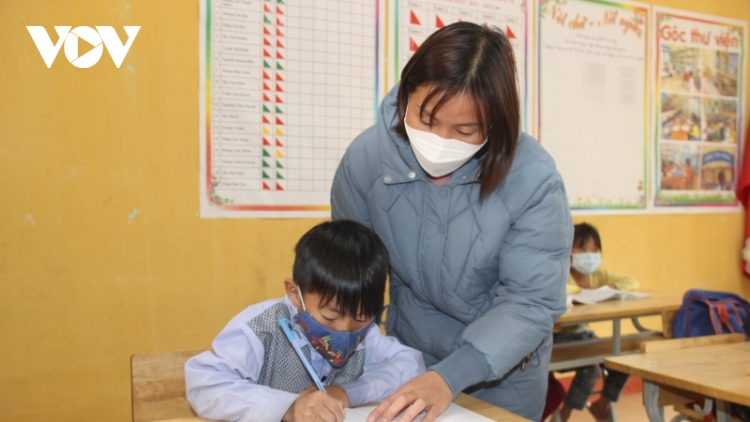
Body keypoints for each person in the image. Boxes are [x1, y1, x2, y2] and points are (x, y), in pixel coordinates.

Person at [331, 22, 572, 422]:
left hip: (502, 373)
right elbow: (350, 270)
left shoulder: (532, 179)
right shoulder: (367, 158)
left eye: (465, 130)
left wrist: (451, 375)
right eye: (426, 119)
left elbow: (531, 301)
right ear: (407, 93)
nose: (440, 140)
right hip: (405, 357)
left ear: (495, 124)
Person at [184, 220, 426, 422]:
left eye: (361, 317)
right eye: (330, 316)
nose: (345, 332)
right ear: (294, 292)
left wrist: (346, 392)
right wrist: (287, 407)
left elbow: (410, 366)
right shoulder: (261, 327)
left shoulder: (365, 334)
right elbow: (204, 385)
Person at [555, 222, 638, 422]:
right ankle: (564, 413)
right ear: (569, 250)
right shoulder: (561, 272)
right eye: (582, 249)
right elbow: (562, 290)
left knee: (622, 359)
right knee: (591, 368)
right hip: (559, 338)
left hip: (585, 336)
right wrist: (587, 292)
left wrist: (608, 287)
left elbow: (632, 282)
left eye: (594, 249)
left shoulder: (597, 275)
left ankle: (603, 404)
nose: (589, 254)